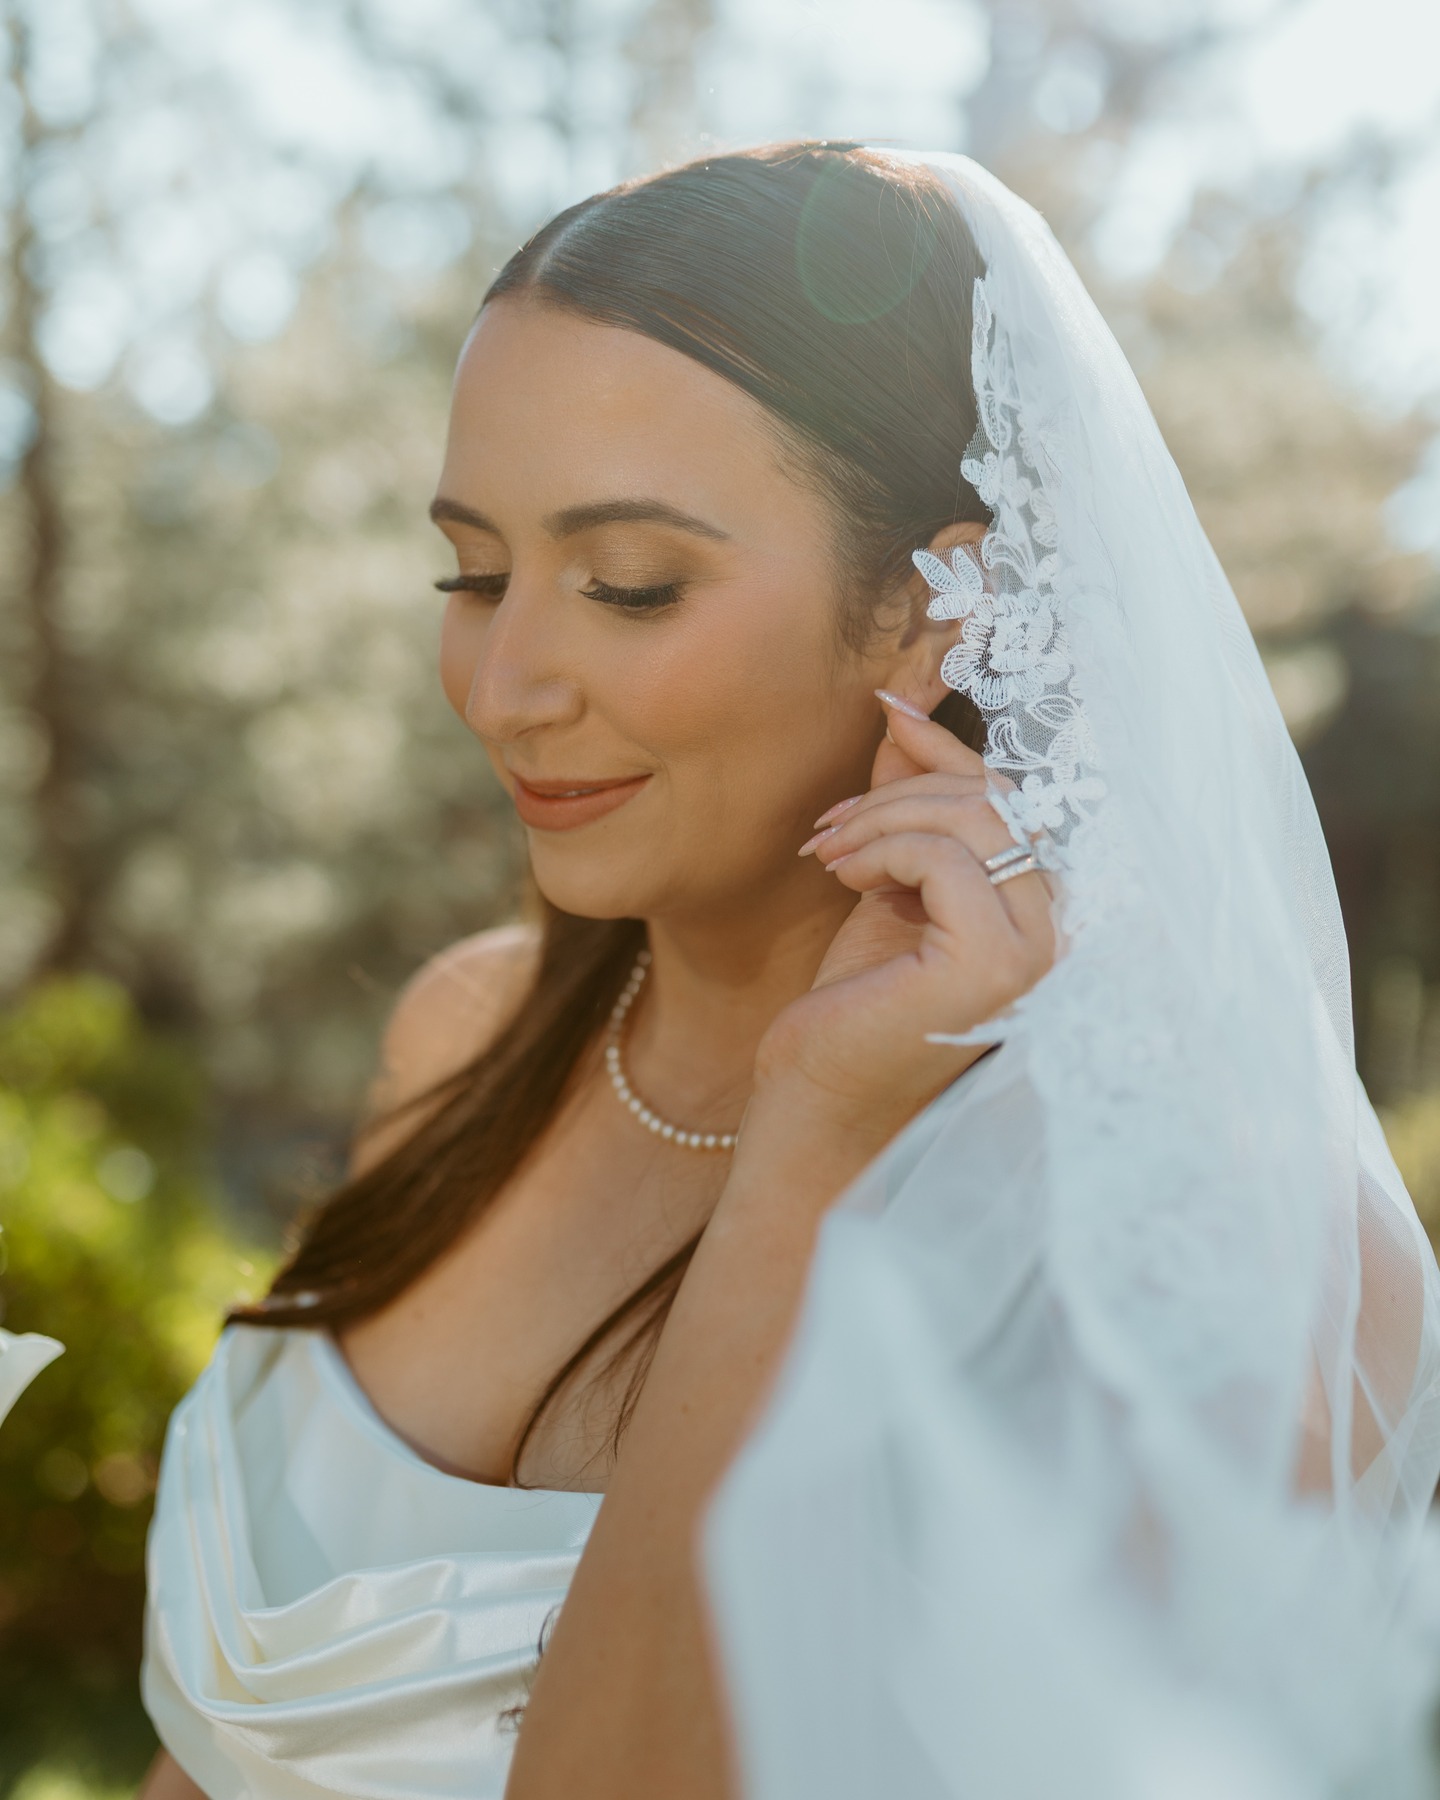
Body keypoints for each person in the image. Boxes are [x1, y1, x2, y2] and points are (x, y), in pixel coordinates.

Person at [137, 145, 1440, 1800]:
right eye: (472, 571)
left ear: (925, 610)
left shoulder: (1229, 1265)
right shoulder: (462, 1037)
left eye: (629, 585)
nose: (504, 682)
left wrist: (805, 1151)